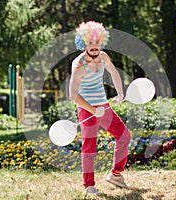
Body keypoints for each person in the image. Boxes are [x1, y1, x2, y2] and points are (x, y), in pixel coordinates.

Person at [69, 21, 131, 195]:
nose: (94, 47)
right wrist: (92, 109)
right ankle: (89, 185)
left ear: (101, 42)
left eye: (97, 43)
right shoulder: (78, 65)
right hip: (87, 109)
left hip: (104, 106)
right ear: (84, 44)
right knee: (89, 147)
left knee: (124, 135)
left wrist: (119, 93)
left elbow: (113, 72)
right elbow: (73, 96)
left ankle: (116, 175)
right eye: (90, 43)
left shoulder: (104, 57)